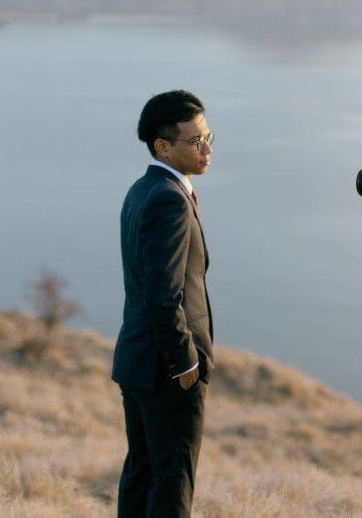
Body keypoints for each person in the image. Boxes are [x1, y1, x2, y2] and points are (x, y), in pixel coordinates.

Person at [112, 90, 216, 517]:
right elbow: (162, 294)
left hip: (139, 362)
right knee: (173, 482)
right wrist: (186, 364)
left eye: (209, 136)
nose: (207, 148)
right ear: (163, 147)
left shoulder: (143, 189)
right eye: (195, 141)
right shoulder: (169, 199)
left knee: (142, 473)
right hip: (167, 371)